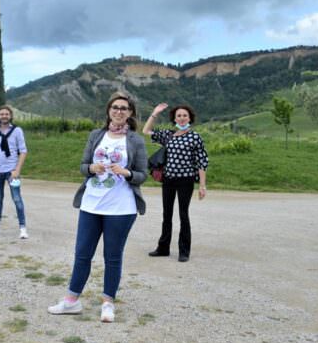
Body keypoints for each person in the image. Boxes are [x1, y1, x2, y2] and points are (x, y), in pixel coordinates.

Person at [48, 93, 147, 323]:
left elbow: (143, 175)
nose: (119, 111)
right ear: (108, 111)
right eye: (115, 107)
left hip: (121, 208)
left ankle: (108, 303)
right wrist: (92, 167)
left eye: (124, 108)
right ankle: (71, 301)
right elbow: (83, 166)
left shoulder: (135, 141)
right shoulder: (96, 135)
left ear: (130, 113)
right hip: (91, 203)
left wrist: (127, 173)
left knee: (112, 257)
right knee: (82, 253)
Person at [142, 102, 209, 262]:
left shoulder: (195, 137)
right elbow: (146, 131)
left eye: (185, 115)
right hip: (169, 180)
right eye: (178, 115)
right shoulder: (168, 135)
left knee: (183, 215)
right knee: (167, 214)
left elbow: (202, 161)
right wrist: (155, 113)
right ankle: (163, 248)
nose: (182, 118)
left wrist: (202, 185)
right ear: (174, 118)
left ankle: (184, 251)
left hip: (186, 180)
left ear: (190, 118)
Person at [0, 105, 29, 239]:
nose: (4, 116)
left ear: (10, 116)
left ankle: (22, 228)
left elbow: (23, 151)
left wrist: (17, 170)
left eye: (6, 114)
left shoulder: (17, 131)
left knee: (17, 199)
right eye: (2, 114)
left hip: (12, 172)